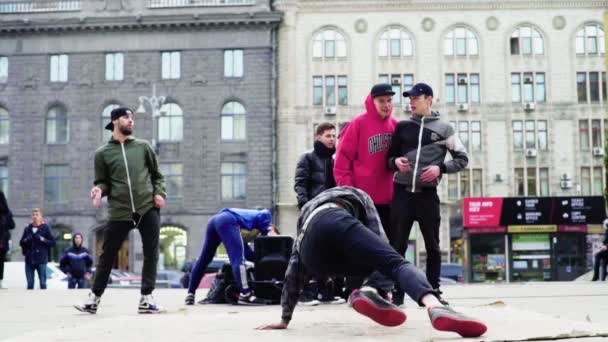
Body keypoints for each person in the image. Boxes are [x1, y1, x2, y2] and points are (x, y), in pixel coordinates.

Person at [256, 186, 487, 338]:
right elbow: (380, 240)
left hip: (312, 253)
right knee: (394, 263)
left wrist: (284, 317)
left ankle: (364, 291)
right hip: (334, 218)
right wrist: (386, 278)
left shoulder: (305, 212)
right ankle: (434, 305)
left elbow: (293, 271)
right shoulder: (356, 193)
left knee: (367, 262)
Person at [75, 107, 166, 314]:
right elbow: (103, 182)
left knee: (151, 253)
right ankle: (93, 299)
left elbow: (158, 175)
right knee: (107, 255)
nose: (131, 120)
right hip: (119, 211)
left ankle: (146, 298)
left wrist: (160, 193)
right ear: (115, 121)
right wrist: (99, 190)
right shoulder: (103, 153)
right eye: (126, 117)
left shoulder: (143, 147)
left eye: (132, 117)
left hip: (146, 208)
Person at [387, 83, 468, 305]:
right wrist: (396, 162)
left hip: (427, 196)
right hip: (401, 194)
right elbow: (388, 159)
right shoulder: (402, 127)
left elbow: (462, 159)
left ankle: (434, 292)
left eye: (416, 97)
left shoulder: (445, 129)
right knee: (397, 247)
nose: (411, 101)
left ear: (429, 99)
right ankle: (397, 294)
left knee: (433, 246)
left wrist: (440, 168)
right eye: (409, 98)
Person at [334, 83, 398, 297]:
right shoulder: (358, 124)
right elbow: (342, 161)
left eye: (390, 100)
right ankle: (352, 290)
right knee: (359, 246)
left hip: (388, 200)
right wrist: (350, 192)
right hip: (362, 199)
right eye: (382, 101)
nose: (386, 105)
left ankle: (381, 289)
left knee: (387, 247)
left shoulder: (395, 126)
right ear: (372, 101)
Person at [294, 122, 344, 305]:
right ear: (318, 137)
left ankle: (325, 293)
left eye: (333, 136)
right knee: (308, 250)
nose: (331, 139)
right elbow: (300, 183)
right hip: (312, 209)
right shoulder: (307, 157)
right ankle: (303, 293)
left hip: (331, 210)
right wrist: (304, 205)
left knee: (328, 251)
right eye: (328, 136)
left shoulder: (336, 159)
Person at [185, 208, 278, 305]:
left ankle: (190, 294)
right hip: (228, 219)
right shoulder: (266, 216)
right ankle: (245, 295)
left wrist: (257, 262)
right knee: (237, 259)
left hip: (215, 220)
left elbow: (249, 255)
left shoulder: (243, 232)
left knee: (204, 258)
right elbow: (268, 239)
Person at [19, 208, 55, 290]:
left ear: (41, 216)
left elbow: (53, 243)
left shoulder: (45, 228)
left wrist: (43, 239)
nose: (35, 217)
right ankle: (29, 301)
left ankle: (43, 300)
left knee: (43, 283)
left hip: (41, 259)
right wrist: (26, 239)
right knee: (30, 283)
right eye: (33, 215)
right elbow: (21, 243)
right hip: (29, 259)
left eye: (37, 215)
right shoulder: (27, 228)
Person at [0, 191, 15, 289]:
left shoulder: (6, 214)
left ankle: (0, 280)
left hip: (2, 241)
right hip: (3, 241)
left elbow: (12, 225)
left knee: (1, 261)